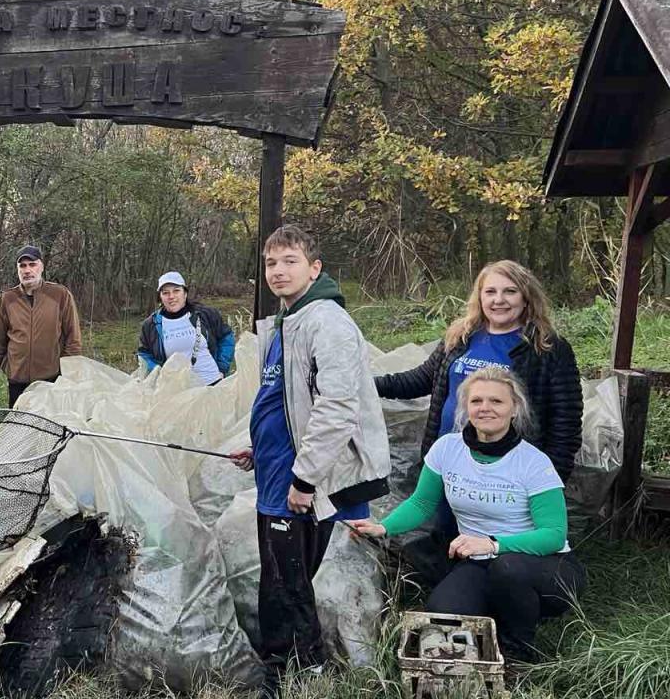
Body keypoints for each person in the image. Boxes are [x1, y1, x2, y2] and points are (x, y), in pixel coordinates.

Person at [230, 225, 390, 693]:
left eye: (290, 261)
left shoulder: (327, 323)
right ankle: (295, 663)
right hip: (277, 468)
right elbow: (285, 400)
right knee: (281, 575)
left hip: (301, 480)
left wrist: (304, 479)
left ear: (315, 268)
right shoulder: (284, 323)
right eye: (270, 263)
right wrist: (259, 448)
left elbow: (338, 409)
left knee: (286, 581)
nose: (278, 271)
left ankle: (295, 671)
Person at [349, 367, 585, 662]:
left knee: (508, 569)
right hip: (481, 562)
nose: (485, 408)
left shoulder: (533, 463)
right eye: (477, 401)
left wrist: (492, 544)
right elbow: (422, 503)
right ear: (466, 408)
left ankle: (521, 649)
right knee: (442, 611)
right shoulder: (447, 449)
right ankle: (497, 613)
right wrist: (383, 527)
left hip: (545, 567)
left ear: (515, 409)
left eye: (497, 402)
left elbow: (553, 535)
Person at [375, 259, 583, 483]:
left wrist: (549, 479)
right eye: (490, 291)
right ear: (480, 297)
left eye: (510, 291)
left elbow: (566, 422)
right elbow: (420, 380)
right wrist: (364, 384)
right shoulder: (462, 336)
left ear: (526, 298)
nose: (499, 300)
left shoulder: (546, 347)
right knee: (438, 517)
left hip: (506, 472)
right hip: (447, 463)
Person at [0, 245, 83, 408]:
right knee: (19, 429)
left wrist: (70, 376)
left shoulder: (60, 295)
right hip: (18, 382)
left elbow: (73, 341)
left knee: (50, 430)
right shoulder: (6, 300)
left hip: (51, 380)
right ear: (18, 270)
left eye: (32, 264)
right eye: (22, 266)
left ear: (41, 267)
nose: (27, 270)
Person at [137, 271, 235, 385]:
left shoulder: (205, 314)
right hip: (178, 390)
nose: (171, 296)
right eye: (165, 293)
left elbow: (226, 337)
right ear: (160, 297)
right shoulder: (151, 325)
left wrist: (222, 368)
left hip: (212, 384)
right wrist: (160, 374)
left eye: (176, 291)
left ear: (185, 293)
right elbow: (144, 355)